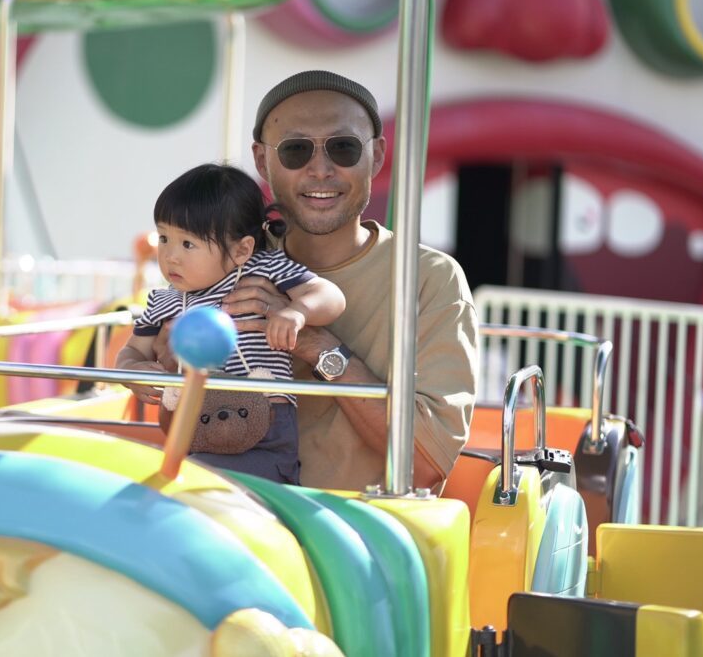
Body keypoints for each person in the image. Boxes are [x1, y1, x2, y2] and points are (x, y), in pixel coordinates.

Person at [159, 71, 479, 491]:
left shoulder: (430, 279)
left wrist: (319, 346)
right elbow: (173, 427)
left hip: (360, 533)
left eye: (343, 148)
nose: (321, 169)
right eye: (295, 150)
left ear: (377, 156)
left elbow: (423, 464)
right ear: (261, 160)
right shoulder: (223, 259)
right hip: (235, 516)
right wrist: (167, 367)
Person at [116, 163, 345, 484]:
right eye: (164, 238)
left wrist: (297, 312)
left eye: (188, 244)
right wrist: (135, 372)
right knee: (186, 479)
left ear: (241, 250)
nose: (170, 256)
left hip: (265, 430)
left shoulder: (263, 270)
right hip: (198, 427)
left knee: (209, 482)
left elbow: (330, 296)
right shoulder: (165, 300)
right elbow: (130, 352)